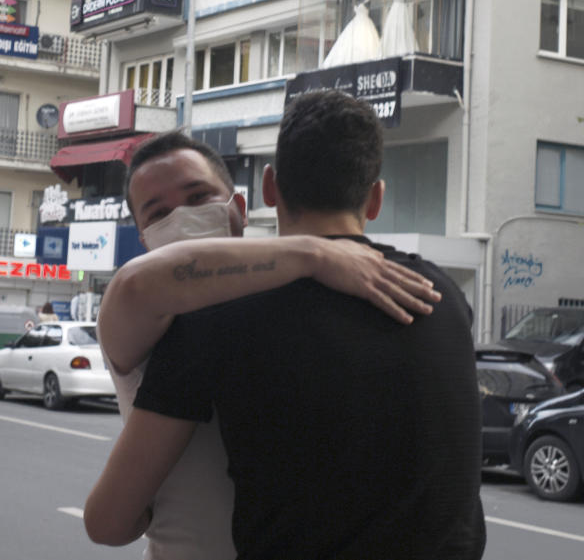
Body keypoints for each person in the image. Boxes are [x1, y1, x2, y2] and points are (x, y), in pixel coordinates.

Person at [85, 91, 486, 559]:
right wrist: (316, 255)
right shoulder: (443, 298)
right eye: (159, 212)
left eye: (198, 198)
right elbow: (136, 286)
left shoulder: (216, 319)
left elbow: (108, 520)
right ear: (375, 198)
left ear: (264, 191)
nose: (184, 219)